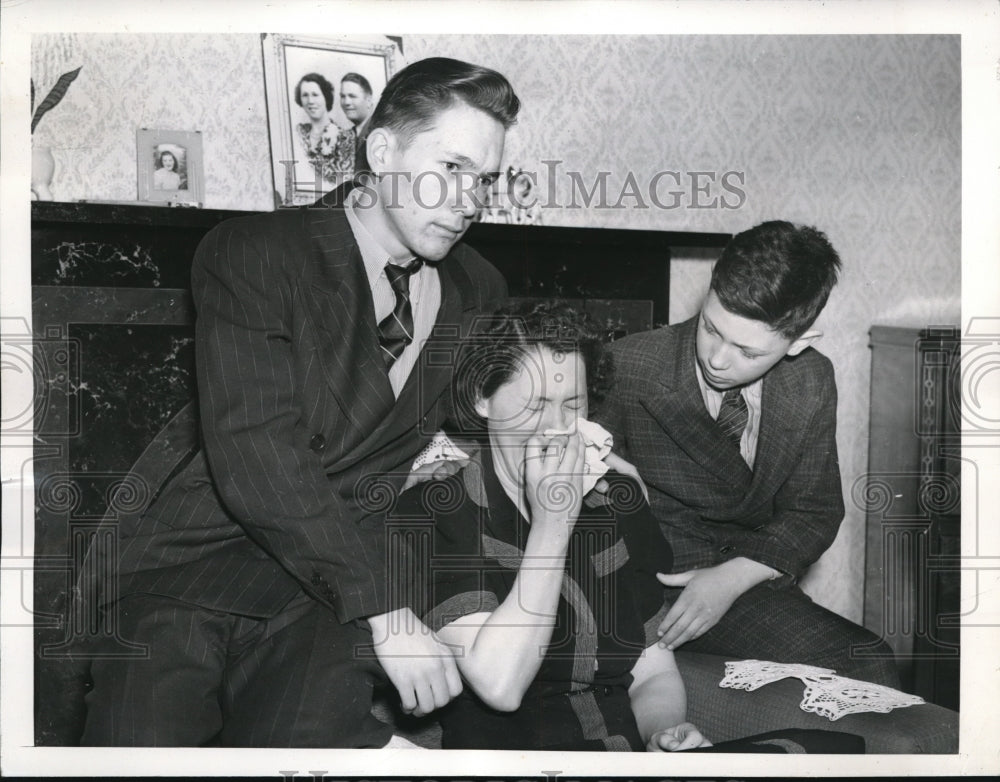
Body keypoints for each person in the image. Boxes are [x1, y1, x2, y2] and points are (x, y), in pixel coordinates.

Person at [81, 57, 520, 747]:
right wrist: (387, 612)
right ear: (382, 151)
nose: (470, 200)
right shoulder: (258, 252)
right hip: (197, 562)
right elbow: (259, 453)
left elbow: (482, 414)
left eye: (485, 180)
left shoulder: (476, 287)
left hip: (328, 595)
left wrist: (573, 444)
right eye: (453, 167)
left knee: (305, 748)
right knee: (137, 748)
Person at [394, 301, 863, 754]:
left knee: (834, 754)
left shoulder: (615, 501)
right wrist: (553, 526)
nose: (557, 430)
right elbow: (501, 684)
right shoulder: (437, 512)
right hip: (518, 763)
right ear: (482, 399)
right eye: (534, 406)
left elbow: (653, 668)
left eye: (571, 406)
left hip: (621, 758)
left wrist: (665, 732)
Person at [594, 221, 900, 689]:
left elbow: (814, 512)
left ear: (799, 343)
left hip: (747, 575)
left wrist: (730, 579)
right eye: (711, 328)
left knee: (871, 662)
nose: (717, 358)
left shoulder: (811, 380)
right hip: (651, 578)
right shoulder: (631, 364)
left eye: (747, 351)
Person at [293, 72, 347, 187]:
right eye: (305, 95)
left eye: (315, 94)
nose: (310, 101)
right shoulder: (298, 133)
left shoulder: (344, 137)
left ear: (326, 97)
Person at [334, 72, 374, 178]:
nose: (346, 102)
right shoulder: (345, 136)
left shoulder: (378, 133)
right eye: (343, 96)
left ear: (369, 100)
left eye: (352, 96)